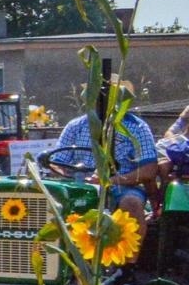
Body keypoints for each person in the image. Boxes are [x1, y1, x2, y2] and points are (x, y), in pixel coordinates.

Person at [54, 89, 157, 223]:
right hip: (80, 184)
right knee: (54, 203)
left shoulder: (137, 127)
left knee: (132, 203)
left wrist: (111, 180)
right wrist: (70, 176)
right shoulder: (75, 126)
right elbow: (57, 162)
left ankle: (131, 243)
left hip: (123, 186)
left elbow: (148, 170)